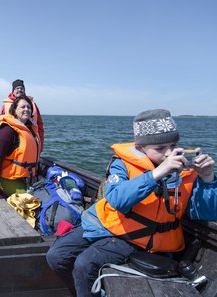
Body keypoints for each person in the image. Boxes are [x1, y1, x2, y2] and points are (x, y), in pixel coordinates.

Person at [46, 109, 217, 296]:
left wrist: (207, 177)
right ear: (140, 148)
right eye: (160, 149)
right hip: (105, 223)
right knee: (56, 256)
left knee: (85, 264)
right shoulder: (122, 164)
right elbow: (117, 199)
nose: (168, 153)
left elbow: (207, 212)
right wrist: (157, 174)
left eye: (173, 145)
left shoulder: (187, 173)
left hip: (138, 238)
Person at [0, 96, 41, 202]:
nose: (26, 109)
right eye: (22, 107)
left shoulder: (30, 129)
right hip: (5, 176)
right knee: (30, 201)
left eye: (29, 107)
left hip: (24, 175)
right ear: (14, 110)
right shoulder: (7, 130)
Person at [2, 79, 44, 150]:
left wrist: (41, 146)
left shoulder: (33, 104)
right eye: (17, 88)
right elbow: (2, 125)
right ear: (13, 91)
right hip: (12, 142)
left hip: (31, 140)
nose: (20, 90)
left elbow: (39, 126)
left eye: (22, 88)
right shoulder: (6, 105)